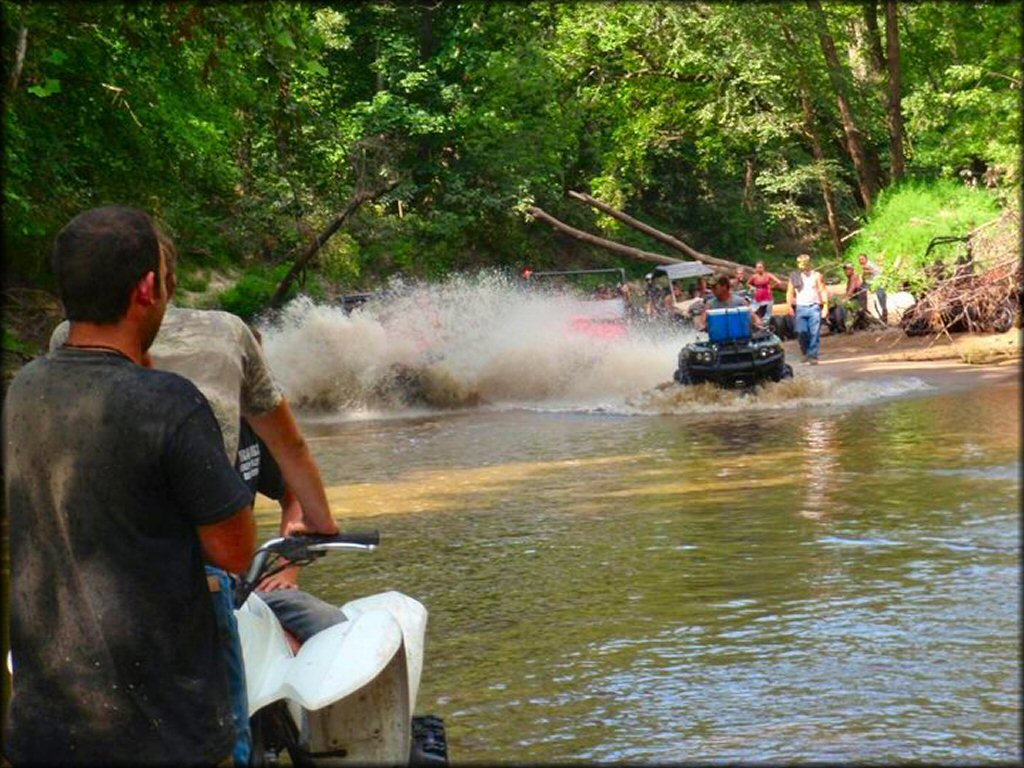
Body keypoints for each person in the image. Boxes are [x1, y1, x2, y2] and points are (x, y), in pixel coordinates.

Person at [4, 206, 256, 764]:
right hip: (158, 735)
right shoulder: (168, 403)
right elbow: (235, 551)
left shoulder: (25, 389)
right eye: (164, 283)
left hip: (45, 731)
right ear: (147, 289)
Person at [786, 253, 830, 364]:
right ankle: (805, 352)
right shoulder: (795, 276)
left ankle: (813, 355)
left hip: (814, 307)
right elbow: (790, 292)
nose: (802, 265)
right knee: (801, 332)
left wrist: (825, 306)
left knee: (814, 333)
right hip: (801, 308)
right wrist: (789, 306)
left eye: (804, 263)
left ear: (809, 263)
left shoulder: (816, 276)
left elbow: (822, 290)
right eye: (800, 263)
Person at [858, 252, 887, 324]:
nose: (860, 261)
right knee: (861, 290)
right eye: (859, 260)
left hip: (877, 283)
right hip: (873, 282)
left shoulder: (867, 265)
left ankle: (865, 310)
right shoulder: (869, 264)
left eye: (862, 259)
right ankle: (865, 310)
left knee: (880, 298)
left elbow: (865, 274)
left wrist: (862, 276)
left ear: (866, 259)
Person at [844, 263, 869, 329]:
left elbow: (852, 287)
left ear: (852, 270)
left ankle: (863, 324)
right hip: (856, 296)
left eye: (849, 269)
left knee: (860, 311)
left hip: (860, 295)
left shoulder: (854, 276)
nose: (847, 271)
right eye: (845, 269)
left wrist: (847, 297)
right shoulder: (850, 277)